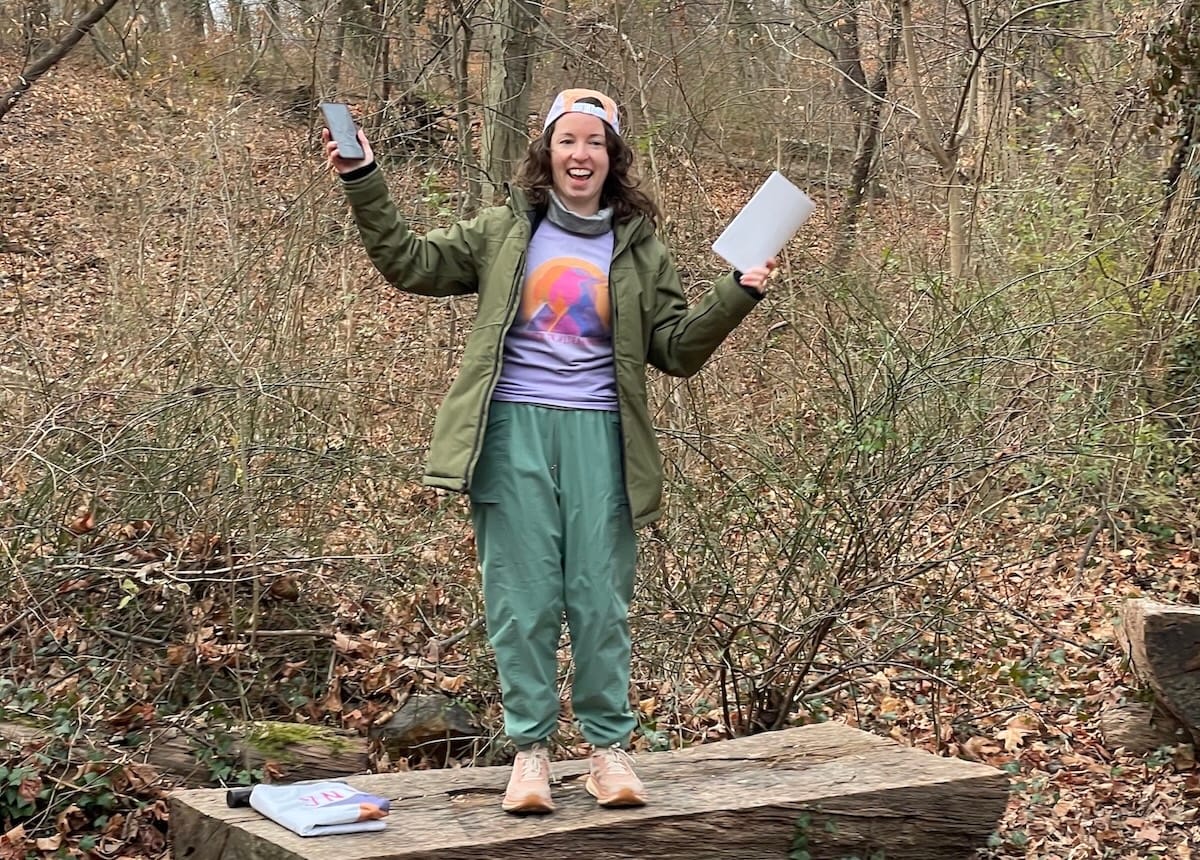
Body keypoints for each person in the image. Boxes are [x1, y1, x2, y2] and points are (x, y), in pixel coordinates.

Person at [324, 88, 775, 815]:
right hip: (511, 433)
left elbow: (674, 350)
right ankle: (530, 755)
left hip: (604, 438)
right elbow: (407, 262)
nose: (581, 154)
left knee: (600, 601)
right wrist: (363, 176)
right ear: (547, 149)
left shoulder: (639, 246)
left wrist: (735, 293)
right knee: (523, 600)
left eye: (595, 142)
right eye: (568, 139)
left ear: (613, 156)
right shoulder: (504, 229)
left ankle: (606, 752)